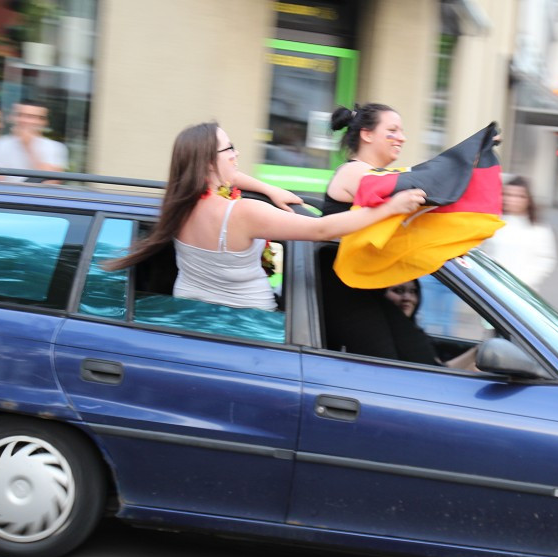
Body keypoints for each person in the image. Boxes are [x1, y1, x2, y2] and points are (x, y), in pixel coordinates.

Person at [106, 121, 425, 311]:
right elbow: (321, 230)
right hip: (250, 323)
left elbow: (227, 177)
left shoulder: (177, 202)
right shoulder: (244, 213)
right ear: (207, 163)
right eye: (229, 149)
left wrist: (268, 188)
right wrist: (389, 209)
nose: (237, 155)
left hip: (190, 315)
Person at [323, 103, 406, 215]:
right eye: (392, 130)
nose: (402, 138)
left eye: (402, 132)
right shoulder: (355, 170)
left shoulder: (361, 170)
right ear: (367, 135)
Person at [482, 176, 557, 292]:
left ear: (528, 199)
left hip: (521, 292)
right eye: (507, 194)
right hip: (489, 288)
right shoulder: (490, 223)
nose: (511, 199)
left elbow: (545, 260)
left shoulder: (538, 229)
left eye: (518, 196)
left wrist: (522, 282)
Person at [383, 280, 478, 370]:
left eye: (413, 291)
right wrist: (476, 352)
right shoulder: (392, 336)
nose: (407, 298)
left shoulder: (410, 331)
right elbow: (438, 374)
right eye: (398, 290)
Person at [0, 99, 67, 181]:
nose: (24, 120)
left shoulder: (55, 147)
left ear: (43, 122)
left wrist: (28, 145)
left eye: (31, 117)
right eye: (20, 115)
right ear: (11, 117)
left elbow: (52, 181)